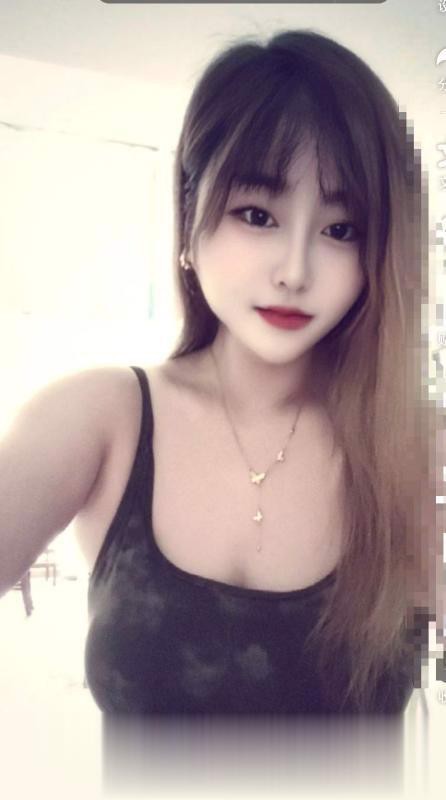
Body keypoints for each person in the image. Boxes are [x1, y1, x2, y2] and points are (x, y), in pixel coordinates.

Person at [0, 27, 442, 792]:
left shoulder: (416, 447)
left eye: (340, 230)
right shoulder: (99, 418)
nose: (295, 269)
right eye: (257, 214)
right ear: (189, 218)